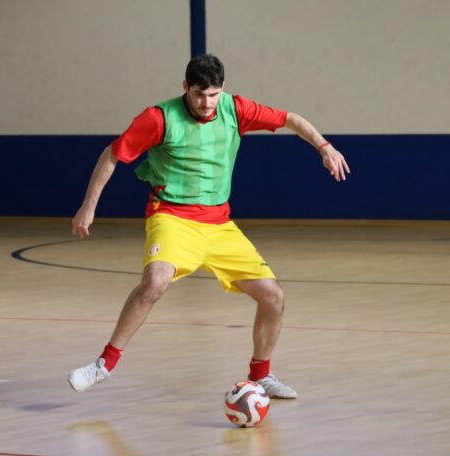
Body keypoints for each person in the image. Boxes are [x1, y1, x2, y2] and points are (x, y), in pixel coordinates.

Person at [67, 53, 350, 399]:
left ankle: (261, 375)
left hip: (219, 224)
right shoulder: (159, 118)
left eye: (214, 95)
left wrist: (325, 147)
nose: (206, 103)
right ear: (185, 87)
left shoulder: (235, 109)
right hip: (172, 217)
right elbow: (112, 155)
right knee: (154, 282)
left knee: (273, 296)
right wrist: (88, 206)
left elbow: (291, 119)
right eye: (199, 94)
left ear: (223, 89)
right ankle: (103, 365)